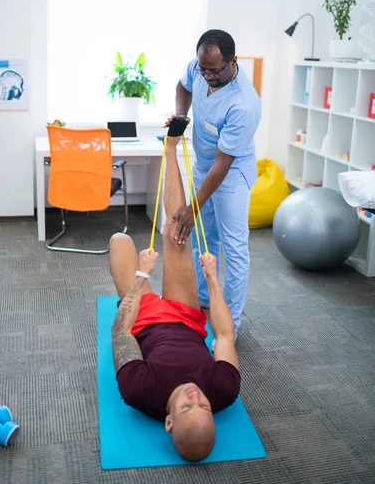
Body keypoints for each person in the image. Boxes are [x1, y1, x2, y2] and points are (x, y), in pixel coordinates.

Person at [110, 134, 240, 463]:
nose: (196, 397)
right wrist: (211, 280)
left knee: (119, 241)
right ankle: (169, 147)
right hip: (186, 316)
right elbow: (224, 335)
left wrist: (143, 276)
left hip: (145, 320)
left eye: (186, 407)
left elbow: (120, 333)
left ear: (169, 421)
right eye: (204, 406)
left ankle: (134, 265)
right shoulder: (224, 390)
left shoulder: (139, 391)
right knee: (177, 229)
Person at [165, 29, 261, 337]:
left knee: (233, 247)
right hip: (204, 163)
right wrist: (182, 115)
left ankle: (229, 322)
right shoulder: (201, 67)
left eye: (214, 71)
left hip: (231, 172)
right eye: (203, 69)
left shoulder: (244, 104)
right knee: (204, 239)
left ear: (233, 61)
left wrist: (192, 206)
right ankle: (203, 300)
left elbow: (224, 163)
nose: (206, 76)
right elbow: (183, 85)